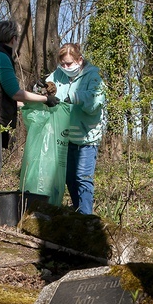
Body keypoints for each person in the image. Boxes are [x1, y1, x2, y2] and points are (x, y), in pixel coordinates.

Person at [0, 20, 59, 222]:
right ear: (14, 38)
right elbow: (15, 93)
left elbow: (6, 97)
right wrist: (45, 99)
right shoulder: (0, 56)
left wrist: (35, 103)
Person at [46, 43, 105, 215]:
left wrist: (73, 97)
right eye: (62, 64)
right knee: (69, 178)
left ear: (80, 60)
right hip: (66, 136)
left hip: (86, 138)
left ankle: (86, 217)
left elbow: (95, 102)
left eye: (69, 64)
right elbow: (48, 83)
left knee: (83, 178)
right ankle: (78, 210)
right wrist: (43, 87)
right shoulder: (59, 74)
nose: (65, 67)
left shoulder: (93, 77)